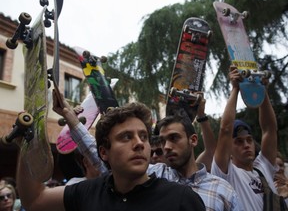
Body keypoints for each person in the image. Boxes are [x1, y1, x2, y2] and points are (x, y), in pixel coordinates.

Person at [16, 91, 206, 211]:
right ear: (104, 152)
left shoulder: (182, 200)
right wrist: (29, 138)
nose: (139, 143)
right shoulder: (87, 192)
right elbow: (34, 200)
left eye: (144, 136)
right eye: (126, 137)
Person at [67, 94, 242, 210]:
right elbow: (104, 156)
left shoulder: (223, 190)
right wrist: (72, 121)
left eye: (174, 138)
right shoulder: (150, 174)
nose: (166, 147)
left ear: (193, 140)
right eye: (162, 140)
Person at [211, 66, 287, 210]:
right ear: (229, 149)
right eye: (238, 142)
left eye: (249, 140)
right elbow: (225, 129)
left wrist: (262, 90)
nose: (246, 145)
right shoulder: (226, 173)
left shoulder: (263, 168)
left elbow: (270, 129)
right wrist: (235, 89)